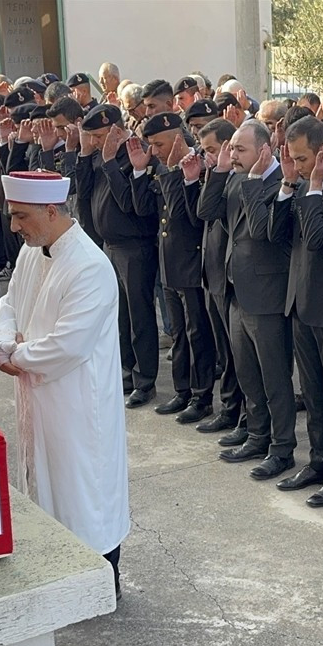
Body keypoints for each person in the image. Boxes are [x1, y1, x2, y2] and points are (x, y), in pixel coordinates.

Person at [0, 171, 129, 598]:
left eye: (20, 216)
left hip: (78, 406)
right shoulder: (33, 252)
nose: (14, 226)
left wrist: (16, 354)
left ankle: (101, 585)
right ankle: (58, 577)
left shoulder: (89, 266)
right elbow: (8, 305)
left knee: (84, 494)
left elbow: (68, 345)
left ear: (51, 211)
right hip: (37, 395)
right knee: (44, 488)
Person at [196, 119, 298, 481]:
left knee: (274, 378)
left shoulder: (278, 182)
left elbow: (260, 231)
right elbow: (207, 213)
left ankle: (282, 448)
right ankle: (257, 433)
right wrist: (220, 172)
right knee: (247, 373)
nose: (232, 154)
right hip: (237, 290)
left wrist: (252, 181)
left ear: (264, 150)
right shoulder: (238, 176)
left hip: (268, 296)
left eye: (239, 149)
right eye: (232, 149)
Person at [269, 114, 323, 507]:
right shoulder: (304, 184)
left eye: (302, 159)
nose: (299, 166)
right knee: (314, 394)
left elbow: (322, 241)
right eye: (292, 159)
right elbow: (275, 234)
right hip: (301, 302)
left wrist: (315, 186)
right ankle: (318, 462)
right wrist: (290, 184)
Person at [68, 104, 161, 407]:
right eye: (92, 136)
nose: (95, 142)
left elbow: (130, 204)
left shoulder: (135, 154)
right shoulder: (97, 156)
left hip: (134, 246)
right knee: (118, 314)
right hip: (109, 245)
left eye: (99, 135)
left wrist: (109, 162)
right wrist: (84, 155)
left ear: (117, 130)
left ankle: (145, 378)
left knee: (139, 316)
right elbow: (81, 193)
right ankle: (126, 370)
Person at [127, 112, 216, 424]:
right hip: (169, 265)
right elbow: (144, 210)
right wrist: (140, 172)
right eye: (151, 145)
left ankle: (201, 395)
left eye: (160, 144)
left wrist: (172, 172)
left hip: (190, 264)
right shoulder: (162, 169)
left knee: (197, 333)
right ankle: (182, 390)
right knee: (178, 332)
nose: (156, 151)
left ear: (178, 138)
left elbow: (183, 214)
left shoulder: (193, 168)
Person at [184, 118, 246, 440]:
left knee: (236, 355)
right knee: (224, 350)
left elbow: (210, 213)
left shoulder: (233, 177)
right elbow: (199, 216)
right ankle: (229, 408)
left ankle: (236, 412)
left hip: (228, 278)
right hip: (211, 275)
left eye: (211, 149)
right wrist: (198, 178)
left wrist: (218, 172)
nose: (205, 155)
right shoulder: (213, 174)